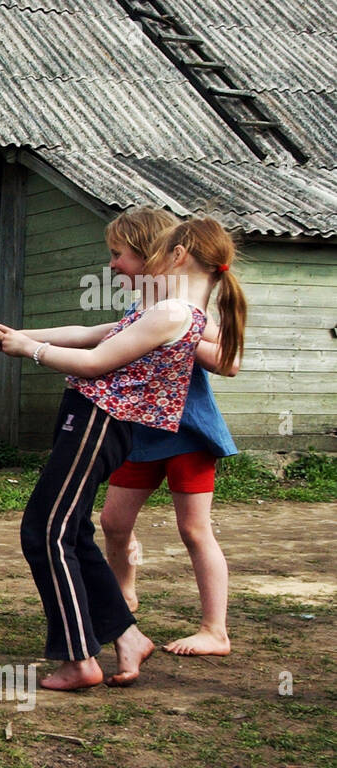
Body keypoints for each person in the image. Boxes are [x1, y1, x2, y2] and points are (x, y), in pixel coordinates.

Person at [0, 217, 245, 691]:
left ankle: (80, 659)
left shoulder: (173, 314)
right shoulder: (163, 310)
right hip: (94, 418)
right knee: (71, 529)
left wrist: (31, 349)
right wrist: (20, 333)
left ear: (176, 255)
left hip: (100, 421)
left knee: (46, 531)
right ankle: (125, 633)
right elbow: (89, 332)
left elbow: (98, 361)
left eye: (126, 254)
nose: (115, 263)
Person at [97, 212, 243, 660]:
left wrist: (177, 337)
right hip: (141, 434)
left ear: (155, 258)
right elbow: (101, 344)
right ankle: (125, 589)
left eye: (119, 255)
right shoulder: (140, 310)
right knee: (113, 523)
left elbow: (228, 360)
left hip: (187, 434)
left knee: (195, 529)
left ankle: (214, 630)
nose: (113, 265)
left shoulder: (184, 312)